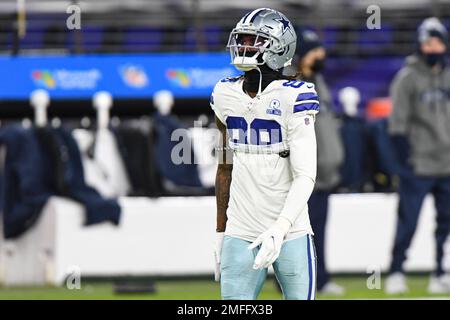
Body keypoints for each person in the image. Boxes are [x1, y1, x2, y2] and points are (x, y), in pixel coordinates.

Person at [211, 8, 319, 300]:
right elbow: (225, 168)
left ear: (279, 47)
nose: (244, 46)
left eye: (253, 40)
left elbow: (306, 175)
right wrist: (221, 230)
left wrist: (281, 228)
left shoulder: (295, 96)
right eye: (242, 39)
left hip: (291, 231)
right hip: (240, 229)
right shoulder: (224, 94)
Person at [385, 17, 450, 294]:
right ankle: (396, 271)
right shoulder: (407, 77)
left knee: (445, 224)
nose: (432, 47)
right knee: (407, 222)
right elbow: (397, 126)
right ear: (420, 45)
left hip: (447, 165)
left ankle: (439, 271)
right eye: (427, 42)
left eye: (436, 42)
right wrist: (405, 163)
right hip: (418, 164)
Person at [295, 29, 345, 295]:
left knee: (319, 232)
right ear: (302, 55)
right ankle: (297, 281)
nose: (321, 56)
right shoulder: (294, 84)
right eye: (316, 51)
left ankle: (321, 278)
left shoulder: (319, 82)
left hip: (324, 174)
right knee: (301, 234)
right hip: (305, 175)